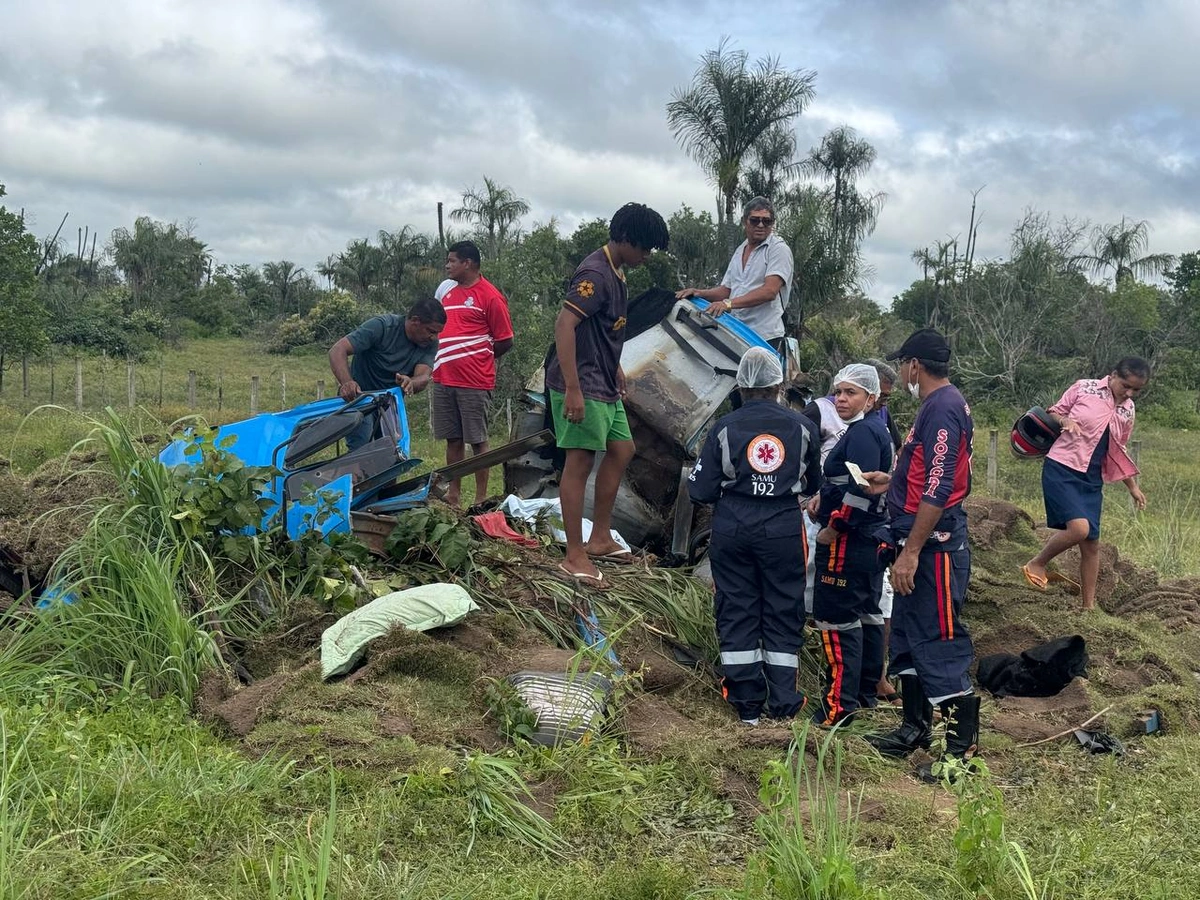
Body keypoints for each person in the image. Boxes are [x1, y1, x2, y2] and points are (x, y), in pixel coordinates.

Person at [859, 328, 979, 781]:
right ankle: (913, 726)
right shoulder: (934, 407)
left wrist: (910, 552)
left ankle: (961, 752)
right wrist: (890, 481)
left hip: (934, 550)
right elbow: (925, 471)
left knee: (939, 639)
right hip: (915, 542)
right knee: (907, 637)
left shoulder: (943, 408)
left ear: (914, 366)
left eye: (904, 366)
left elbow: (941, 485)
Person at [688, 347, 822, 725]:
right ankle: (783, 705)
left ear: (740, 386)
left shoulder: (724, 427)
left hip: (732, 524)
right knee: (783, 607)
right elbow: (814, 483)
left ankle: (747, 707)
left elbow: (699, 490)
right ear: (779, 384)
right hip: (782, 524)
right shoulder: (803, 427)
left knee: (736, 607)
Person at [545, 202, 670, 583]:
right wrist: (572, 390)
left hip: (603, 380)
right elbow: (565, 326)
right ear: (626, 239)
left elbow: (601, 330)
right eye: (645, 249)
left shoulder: (619, 270)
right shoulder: (595, 275)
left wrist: (614, 364)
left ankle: (600, 538)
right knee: (580, 461)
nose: (647, 257)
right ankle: (574, 554)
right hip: (580, 382)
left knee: (622, 449)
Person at [1022, 358, 1149, 610]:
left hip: (1091, 478)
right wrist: (1064, 421)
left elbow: (1118, 449)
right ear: (1113, 375)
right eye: (1126, 385)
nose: (1129, 393)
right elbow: (1054, 410)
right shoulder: (1084, 388)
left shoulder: (1128, 410)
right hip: (1062, 467)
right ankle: (1036, 563)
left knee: (1091, 544)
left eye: (1136, 390)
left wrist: (1133, 487)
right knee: (1079, 529)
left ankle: (1088, 608)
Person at [809, 364, 894, 727]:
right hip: (871, 540)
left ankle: (837, 709)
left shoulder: (862, 433)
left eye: (851, 393)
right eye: (838, 392)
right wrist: (823, 496)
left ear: (871, 398)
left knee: (837, 619)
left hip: (849, 539)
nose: (841, 399)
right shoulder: (875, 429)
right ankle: (864, 695)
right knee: (868, 614)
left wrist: (834, 526)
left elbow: (861, 490)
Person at [432, 240, 515, 506]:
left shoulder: (489, 296)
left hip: (474, 381)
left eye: (452, 261)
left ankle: (480, 498)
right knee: (453, 438)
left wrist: (479, 358)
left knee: (477, 440)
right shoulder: (446, 292)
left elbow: (505, 339)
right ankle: (454, 493)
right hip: (444, 378)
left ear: (467, 263)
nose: (447, 266)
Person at [675, 197, 794, 353]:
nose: (760, 225)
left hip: (764, 337)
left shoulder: (778, 249)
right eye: (755, 220)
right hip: (736, 333)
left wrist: (728, 304)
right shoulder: (740, 250)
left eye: (766, 221)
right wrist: (698, 292)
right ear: (745, 222)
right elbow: (727, 289)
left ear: (772, 224)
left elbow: (769, 291)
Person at [328, 298, 445, 450]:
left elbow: (423, 377)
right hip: (360, 397)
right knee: (362, 453)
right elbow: (337, 350)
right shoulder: (382, 326)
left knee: (393, 454)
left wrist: (411, 382)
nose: (434, 337)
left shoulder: (429, 343)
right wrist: (347, 382)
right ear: (415, 321)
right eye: (431, 331)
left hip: (390, 403)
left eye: (437, 333)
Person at [865, 358, 903, 705]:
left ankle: (878, 676)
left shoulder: (881, 418)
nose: (881, 404)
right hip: (830, 517)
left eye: (886, 399)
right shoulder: (823, 413)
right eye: (879, 396)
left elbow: (900, 452)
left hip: (877, 518)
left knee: (882, 597)